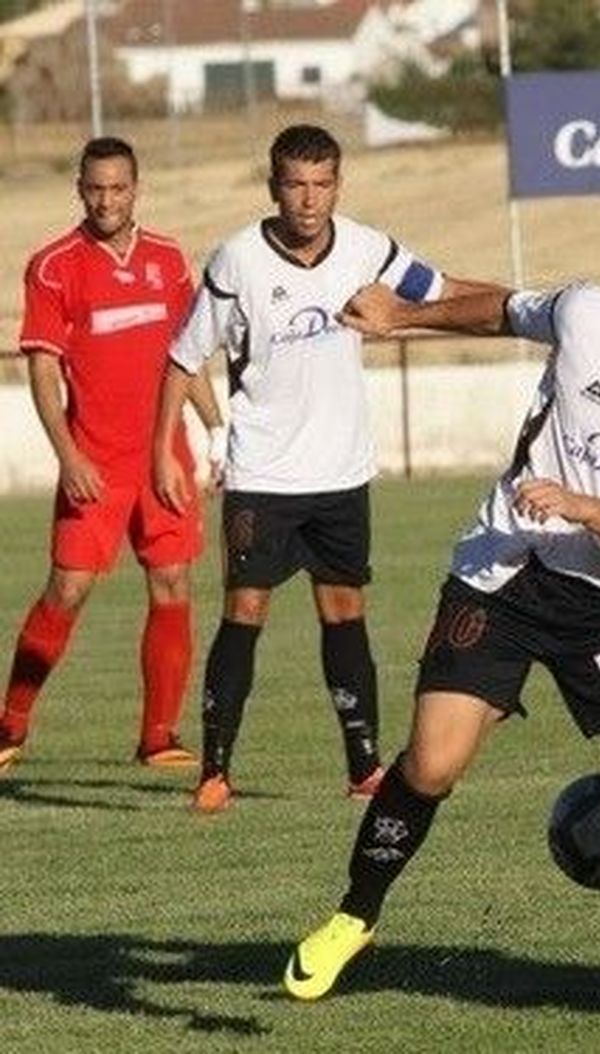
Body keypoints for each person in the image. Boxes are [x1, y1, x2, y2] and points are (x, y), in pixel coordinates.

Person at [281, 202, 600, 1016]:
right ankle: (354, 919)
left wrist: (584, 507)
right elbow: (501, 310)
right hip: (502, 574)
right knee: (432, 763)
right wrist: (404, 315)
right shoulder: (588, 316)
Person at [153, 124, 477, 813]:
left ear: (338, 185)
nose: (309, 199)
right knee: (245, 610)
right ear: (274, 187)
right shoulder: (237, 260)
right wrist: (164, 452)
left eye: (322, 184)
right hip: (263, 476)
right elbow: (183, 356)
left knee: (345, 612)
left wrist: (524, 307)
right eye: (295, 184)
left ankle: (364, 768)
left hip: (340, 472)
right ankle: (214, 771)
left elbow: (440, 289)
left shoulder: (366, 248)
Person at [0, 136, 224, 773]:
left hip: (163, 460)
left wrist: (215, 429)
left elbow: (187, 356)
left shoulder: (168, 259)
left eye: (118, 188)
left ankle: (158, 736)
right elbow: (44, 370)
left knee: (173, 582)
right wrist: (68, 455)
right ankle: (10, 724)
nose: (106, 201)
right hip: (94, 462)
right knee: (67, 588)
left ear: (135, 189)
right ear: (80, 189)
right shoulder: (54, 266)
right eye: (95, 189)